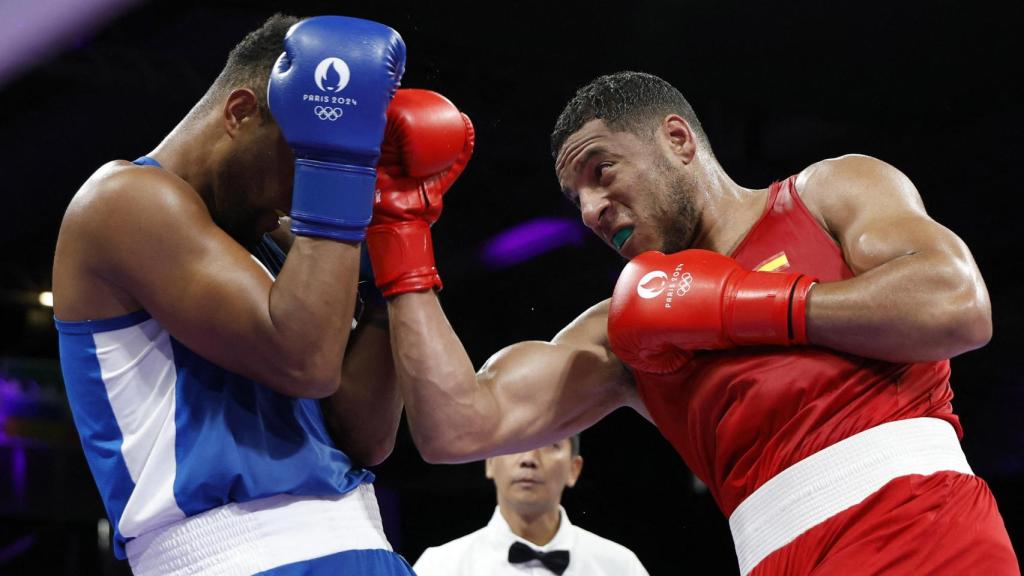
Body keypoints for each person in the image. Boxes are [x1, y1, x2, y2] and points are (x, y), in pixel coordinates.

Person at [372, 72, 1020, 575]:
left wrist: (738, 305)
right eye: (576, 201)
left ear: (677, 141)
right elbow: (455, 427)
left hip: (924, 524)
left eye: (602, 172)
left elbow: (958, 306)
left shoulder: (827, 193)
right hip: (775, 557)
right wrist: (400, 236)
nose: (592, 210)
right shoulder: (624, 334)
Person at [50, 13, 444, 575]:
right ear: (240, 113)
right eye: (306, 158)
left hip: (367, 545)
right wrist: (337, 164)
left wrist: (394, 248)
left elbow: (366, 436)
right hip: (236, 558)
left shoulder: (273, 238)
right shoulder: (122, 201)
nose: (298, 197)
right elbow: (304, 358)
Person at [412, 435, 648, 576]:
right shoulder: (440, 566)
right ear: (490, 462)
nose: (528, 459)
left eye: (550, 444)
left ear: (573, 469)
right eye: (515, 444)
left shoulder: (619, 566)